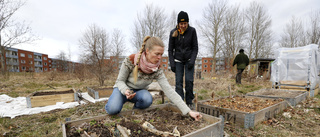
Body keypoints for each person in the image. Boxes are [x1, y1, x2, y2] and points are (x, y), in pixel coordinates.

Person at [105, 36, 202, 121]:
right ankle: (116, 101)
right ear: (147, 51)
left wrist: (188, 111)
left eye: (161, 54)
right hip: (122, 89)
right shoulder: (131, 60)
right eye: (157, 54)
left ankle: (135, 111)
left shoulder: (157, 69)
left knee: (147, 99)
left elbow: (169, 90)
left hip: (138, 93)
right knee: (113, 109)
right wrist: (125, 90)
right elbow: (120, 81)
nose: (160, 57)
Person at [168, 11, 198, 109]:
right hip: (178, 60)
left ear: (188, 23)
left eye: (185, 23)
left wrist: (192, 61)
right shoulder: (173, 32)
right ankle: (180, 103)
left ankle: (189, 101)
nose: (183, 25)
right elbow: (170, 49)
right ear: (178, 23)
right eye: (181, 24)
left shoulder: (192, 31)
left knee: (189, 81)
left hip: (189, 60)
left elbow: (195, 48)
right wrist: (172, 63)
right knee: (178, 82)